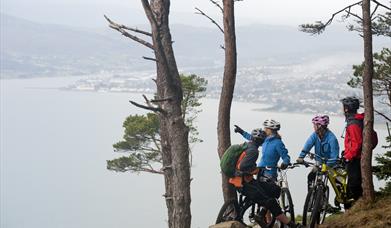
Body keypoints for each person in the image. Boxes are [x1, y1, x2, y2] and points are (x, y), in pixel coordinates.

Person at [229, 128, 300, 228]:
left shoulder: (247, 146)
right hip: (243, 182)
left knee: (271, 191)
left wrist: (241, 132)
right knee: (270, 201)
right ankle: (290, 225)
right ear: (260, 141)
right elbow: (243, 167)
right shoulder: (254, 151)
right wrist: (255, 170)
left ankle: (266, 218)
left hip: (239, 180)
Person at [296, 115, 340, 191]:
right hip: (319, 163)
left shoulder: (332, 138)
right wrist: (301, 157)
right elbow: (308, 145)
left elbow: (334, 156)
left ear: (319, 126)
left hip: (330, 165)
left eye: (315, 125)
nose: (313, 127)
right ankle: (310, 196)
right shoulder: (315, 135)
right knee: (311, 176)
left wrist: (327, 165)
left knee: (337, 183)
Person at [341, 96, 364, 202]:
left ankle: (359, 205)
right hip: (354, 156)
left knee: (354, 185)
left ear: (346, 109)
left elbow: (357, 143)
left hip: (355, 158)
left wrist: (348, 157)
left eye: (343, 107)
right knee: (352, 184)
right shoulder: (354, 120)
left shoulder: (353, 123)